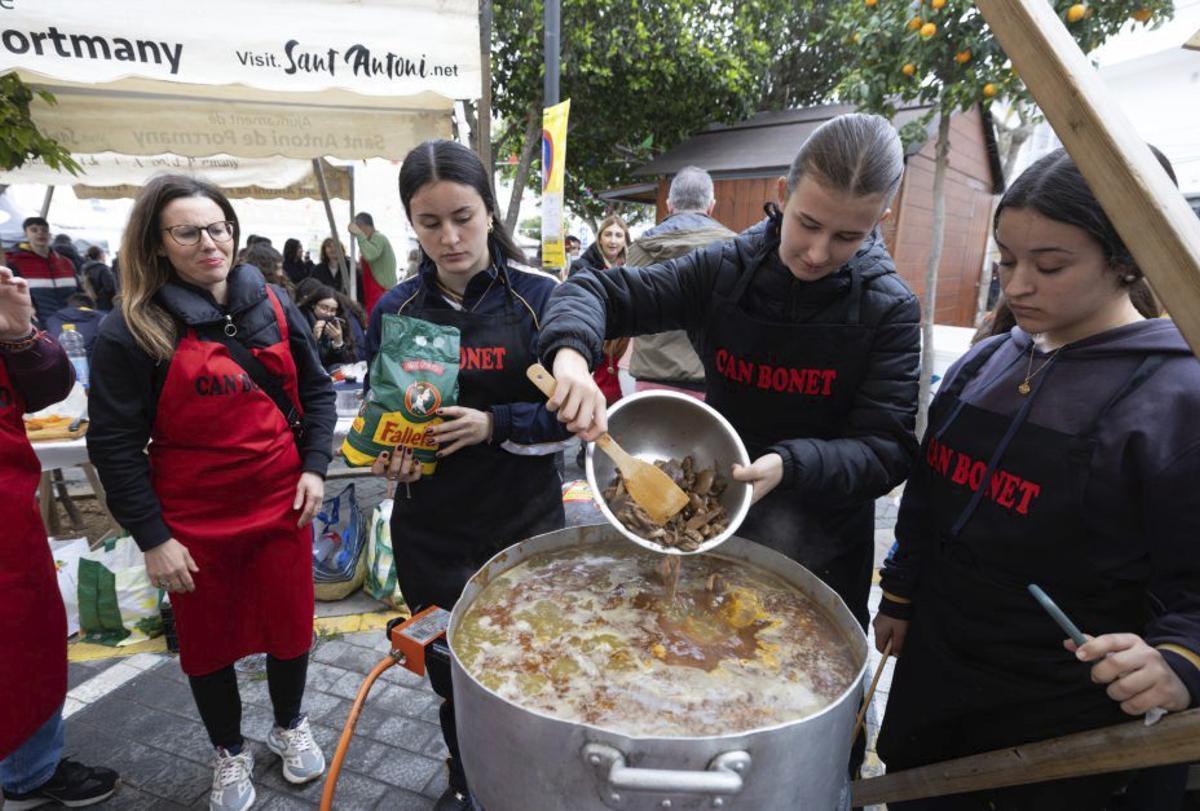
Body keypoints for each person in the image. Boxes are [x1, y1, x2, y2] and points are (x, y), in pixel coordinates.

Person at [874, 148, 1200, 809]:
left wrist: (1180, 660)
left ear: (1126, 259)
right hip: (939, 681)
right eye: (1006, 260)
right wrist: (900, 594)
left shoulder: (1177, 399)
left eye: (1049, 266)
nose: (1017, 286)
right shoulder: (985, 363)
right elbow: (928, 499)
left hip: (1065, 716)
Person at [539, 113, 920, 639]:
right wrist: (570, 358)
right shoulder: (723, 269)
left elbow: (887, 450)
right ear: (783, 193)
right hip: (711, 524)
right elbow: (594, 292)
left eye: (847, 236)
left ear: (882, 217)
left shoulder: (890, 308)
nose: (817, 252)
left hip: (823, 550)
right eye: (808, 224)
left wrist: (789, 464)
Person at [86, 175, 336, 811]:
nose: (209, 243)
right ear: (156, 243)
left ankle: (290, 723)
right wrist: (153, 538)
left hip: (283, 503)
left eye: (218, 227)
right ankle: (228, 750)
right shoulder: (131, 328)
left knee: (289, 628)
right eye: (187, 232)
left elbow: (316, 391)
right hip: (192, 521)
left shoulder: (273, 302)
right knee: (207, 645)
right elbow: (114, 444)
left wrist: (314, 467)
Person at [363, 139, 570, 811]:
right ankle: (467, 779)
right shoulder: (394, 311)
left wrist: (493, 423)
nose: (449, 238)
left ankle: (537, 787)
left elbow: (573, 421)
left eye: (463, 217)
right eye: (430, 223)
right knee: (453, 678)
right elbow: (381, 415)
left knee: (534, 671)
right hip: (433, 534)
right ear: (411, 223)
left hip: (525, 530)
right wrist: (390, 454)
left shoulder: (541, 299)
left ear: (489, 211)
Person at [0, 267, 120, 809]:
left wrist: (20, 333)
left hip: (10, 521)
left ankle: (29, 771)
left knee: (26, 642)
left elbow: (53, 388)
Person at [627, 166, 735, 399]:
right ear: (711, 206)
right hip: (713, 382)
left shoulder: (640, 249)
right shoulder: (736, 250)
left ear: (669, 205)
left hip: (650, 381)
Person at [6, 217, 77, 328]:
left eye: (44, 230)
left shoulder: (66, 262)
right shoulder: (15, 263)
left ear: (49, 234)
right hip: (39, 325)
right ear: (26, 234)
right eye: (34, 230)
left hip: (72, 322)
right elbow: (14, 295)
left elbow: (79, 292)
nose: (40, 233)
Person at [296, 284, 357, 370]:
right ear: (314, 305)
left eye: (332, 310)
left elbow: (344, 364)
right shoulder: (301, 321)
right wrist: (314, 340)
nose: (328, 313)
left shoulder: (339, 323)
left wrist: (338, 343)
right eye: (324, 308)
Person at [349, 212, 396, 316]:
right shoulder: (369, 241)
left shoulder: (378, 237)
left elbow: (370, 255)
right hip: (372, 291)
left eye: (358, 228)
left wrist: (359, 235)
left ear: (362, 226)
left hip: (381, 291)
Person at [82, 245, 118, 311]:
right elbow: (109, 287)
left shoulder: (84, 268)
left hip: (92, 302)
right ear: (100, 255)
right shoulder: (102, 268)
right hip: (106, 303)